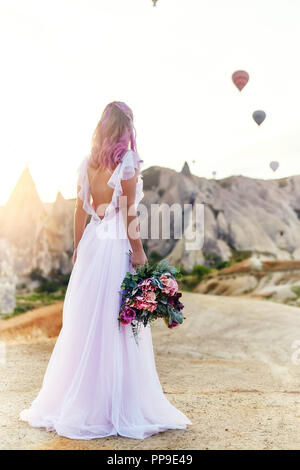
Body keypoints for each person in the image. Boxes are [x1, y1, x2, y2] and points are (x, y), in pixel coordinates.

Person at [20, 101, 191, 440]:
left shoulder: (87, 163)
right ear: (127, 128)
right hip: (114, 246)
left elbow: (78, 213)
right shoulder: (126, 161)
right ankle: (115, 405)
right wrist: (139, 254)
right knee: (117, 321)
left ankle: (81, 400)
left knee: (88, 322)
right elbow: (128, 213)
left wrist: (78, 252)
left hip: (92, 246)